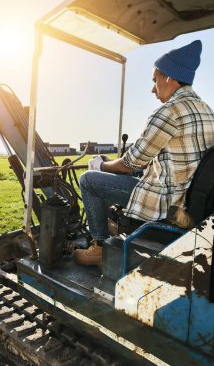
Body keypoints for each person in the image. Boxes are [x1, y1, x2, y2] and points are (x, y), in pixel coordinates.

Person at [73, 40, 214, 266]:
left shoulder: (169, 111)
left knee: (88, 180)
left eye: (155, 80)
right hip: (190, 198)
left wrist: (100, 164)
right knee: (125, 175)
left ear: (169, 77)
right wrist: (115, 163)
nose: (153, 88)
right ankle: (111, 225)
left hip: (166, 201)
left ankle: (99, 247)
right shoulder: (207, 111)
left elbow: (130, 164)